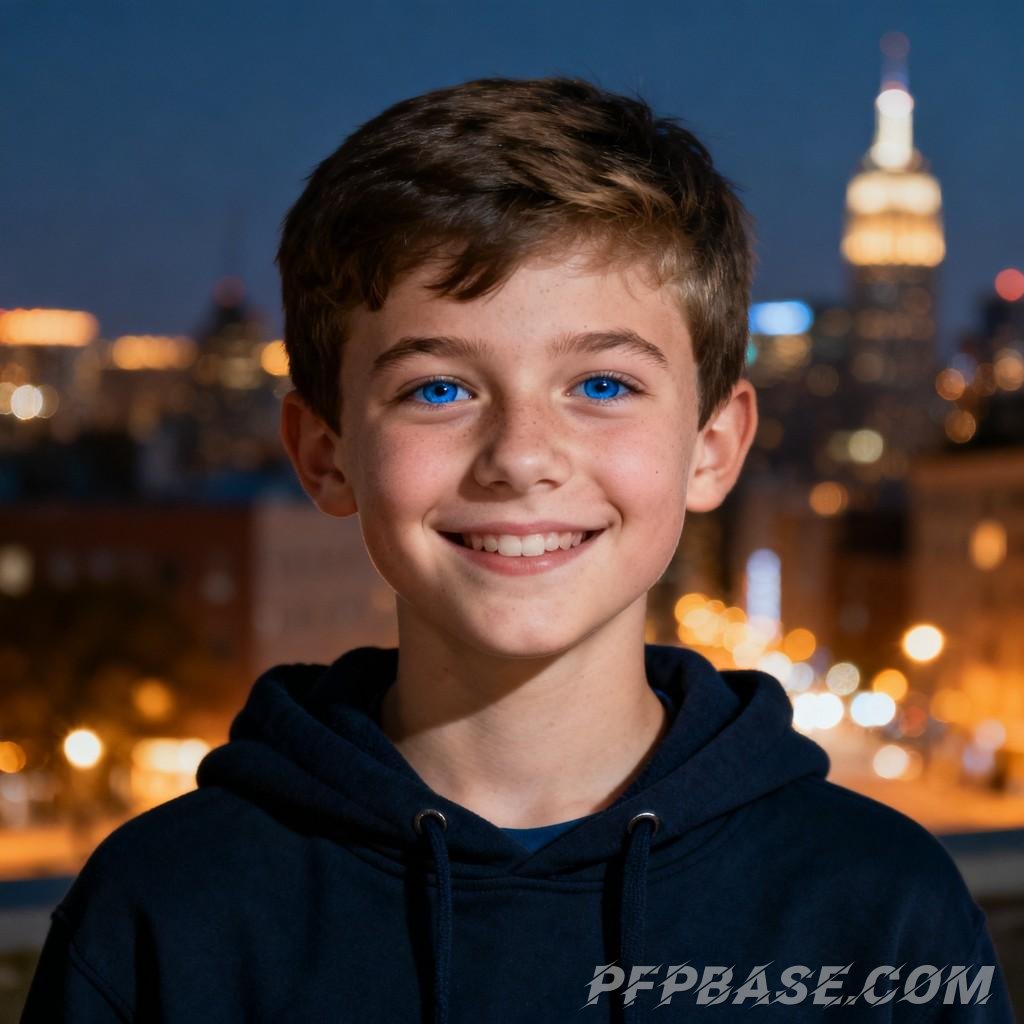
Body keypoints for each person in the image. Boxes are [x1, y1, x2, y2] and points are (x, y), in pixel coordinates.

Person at [22, 76, 1014, 1022]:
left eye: (602, 385)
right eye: (438, 389)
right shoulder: (163, 913)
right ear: (322, 455)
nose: (521, 457)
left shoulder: (879, 912)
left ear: (712, 449)